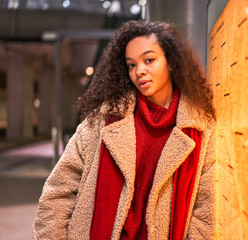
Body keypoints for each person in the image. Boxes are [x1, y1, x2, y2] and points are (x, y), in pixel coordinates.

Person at [32, 20, 217, 240]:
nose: (139, 71)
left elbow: (207, 213)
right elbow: (58, 192)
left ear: (171, 62)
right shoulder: (103, 121)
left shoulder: (199, 128)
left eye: (149, 60)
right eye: (131, 64)